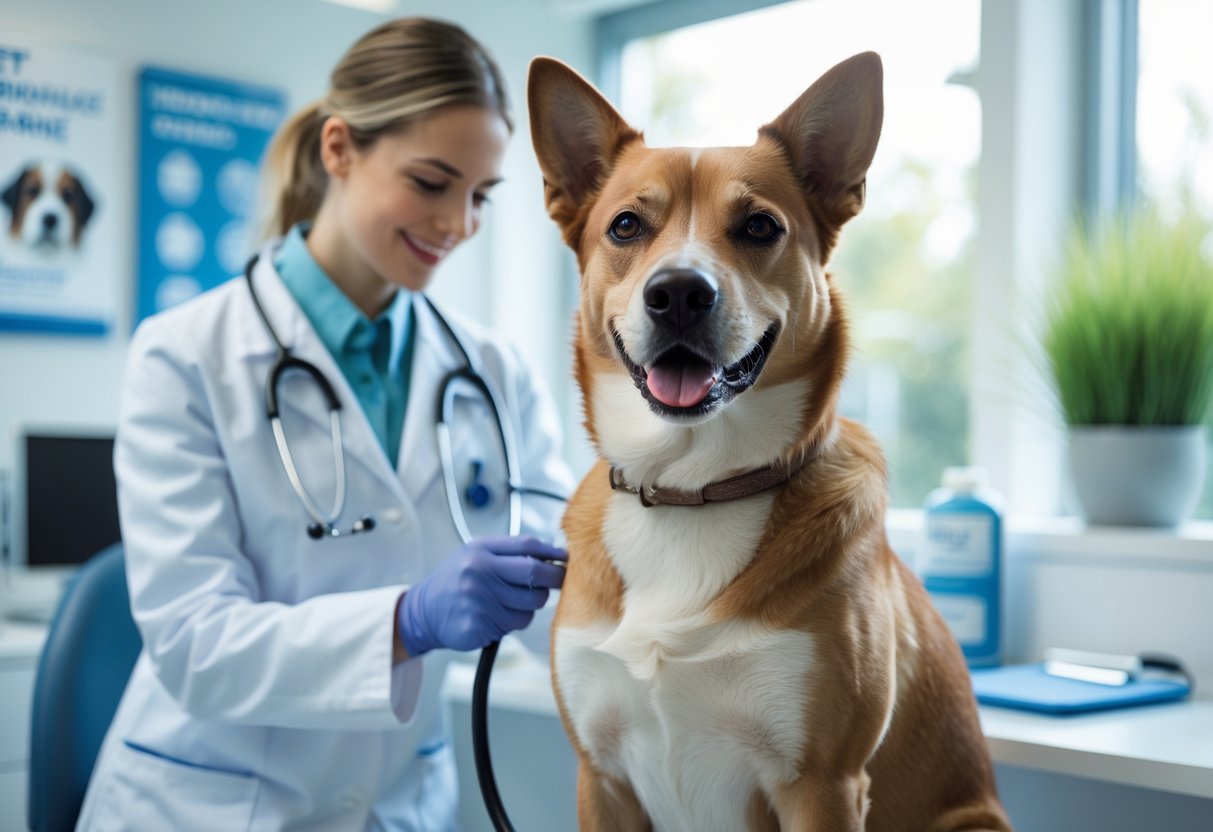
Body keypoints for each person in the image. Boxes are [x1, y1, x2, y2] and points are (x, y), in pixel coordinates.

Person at [77, 17, 572, 831]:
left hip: (396, 806)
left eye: (479, 196)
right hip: (207, 804)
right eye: (430, 182)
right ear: (339, 149)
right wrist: (406, 621)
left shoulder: (493, 371)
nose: (458, 224)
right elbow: (196, 645)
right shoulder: (184, 356)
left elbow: (565, 594)